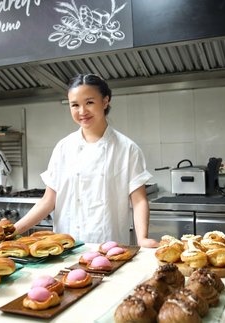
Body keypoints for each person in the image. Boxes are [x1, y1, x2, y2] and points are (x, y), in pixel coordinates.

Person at [13, 74, 159, 248]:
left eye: (89, 102)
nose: (82, 111)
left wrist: (142, 238)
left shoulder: (127, 149)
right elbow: (48, 201)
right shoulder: (63, 147)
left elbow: (139, 200)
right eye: (75, 105)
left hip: (109, 246)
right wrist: (12, 231)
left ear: (105, 102)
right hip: (66, 247)